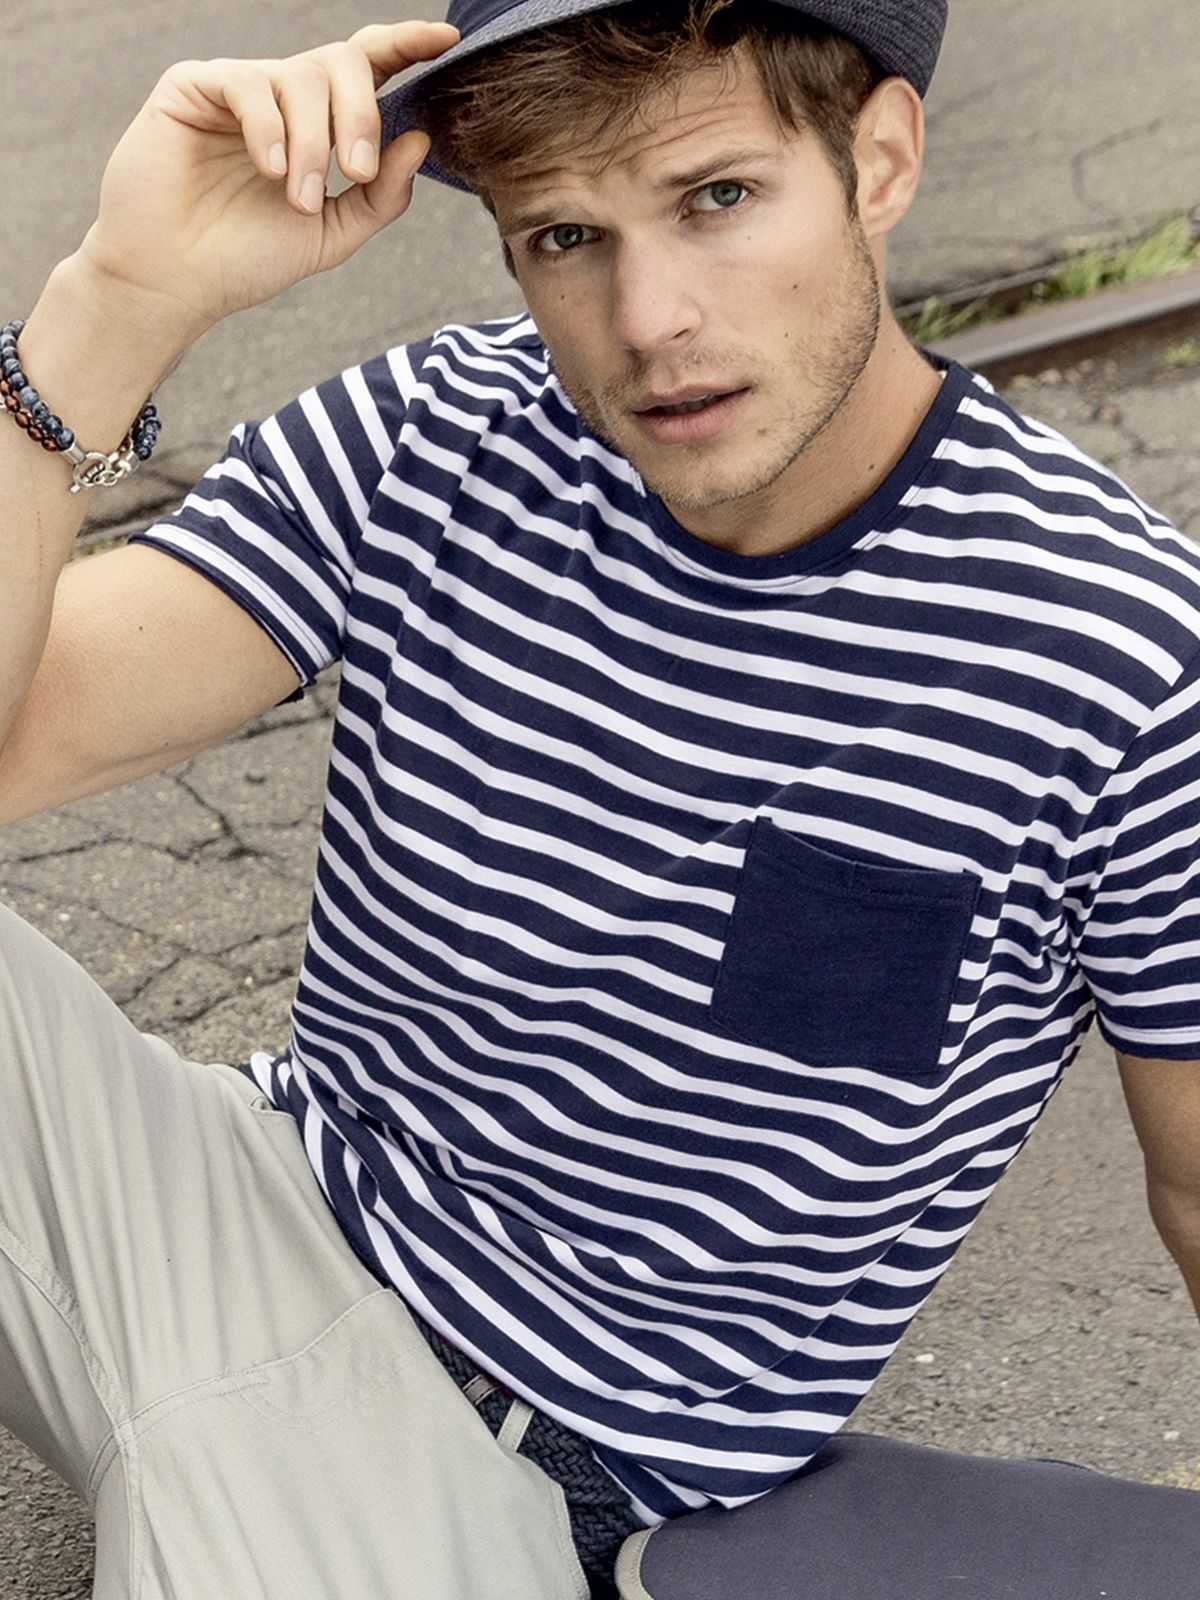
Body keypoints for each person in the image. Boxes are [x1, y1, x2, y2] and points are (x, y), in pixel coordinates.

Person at [1, 2, 1199, 1596]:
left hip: (505, 1458)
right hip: (227, 1209)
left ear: (882, 160)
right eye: (567, 234)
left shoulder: (1121, 658)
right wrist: (116, 300)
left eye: (719, 197)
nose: (650, 321)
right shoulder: (438, 432)